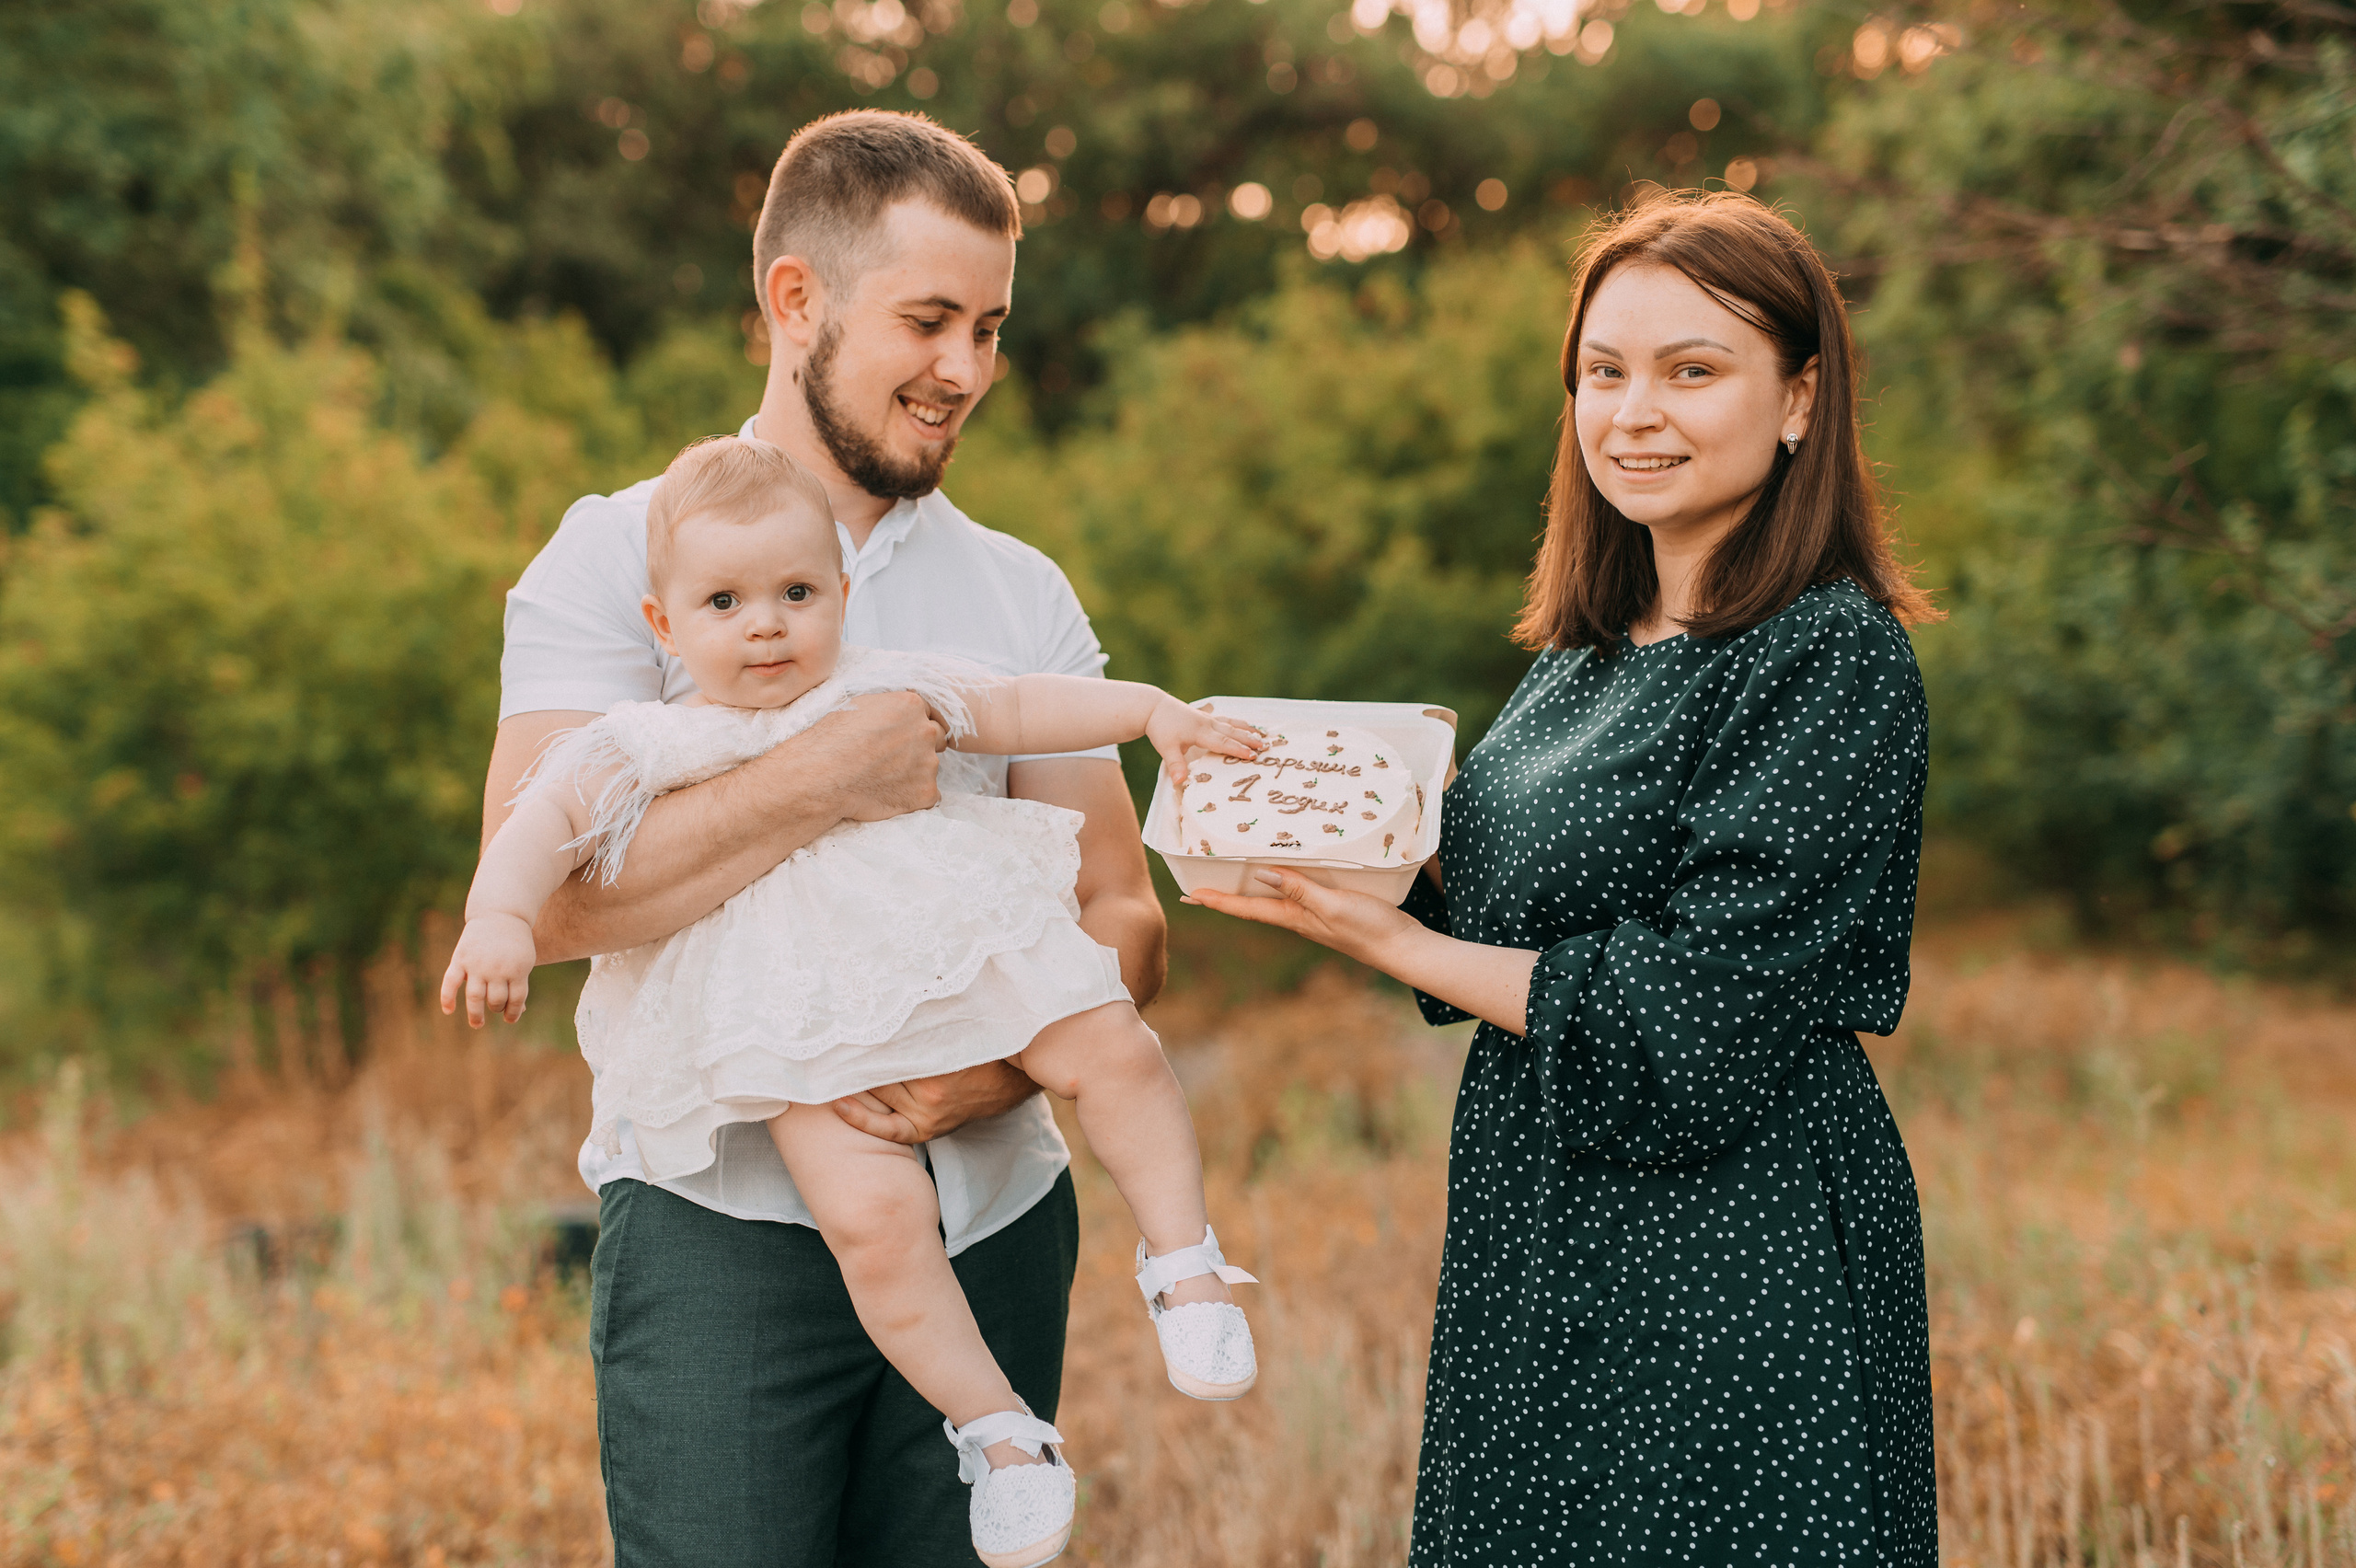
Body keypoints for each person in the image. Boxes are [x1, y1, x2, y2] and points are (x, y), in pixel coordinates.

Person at [1194, 190, 1941, 1564]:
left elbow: (1699, 1008)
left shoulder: (1827, 654)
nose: (1633, 413)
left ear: (1799, 399)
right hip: (1539, 1210)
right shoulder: (1585, 655)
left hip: (1732, 1237)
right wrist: (1306, 808)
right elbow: (1495, 902)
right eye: (1604, 372)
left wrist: (1389, 944)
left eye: (1691, 371)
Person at [479, 111, 1160, 1565]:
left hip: (996, 1221)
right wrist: (833, 775)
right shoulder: (616, 557)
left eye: (990, 328)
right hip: (719, 1230)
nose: (965, 369)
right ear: (797, 300)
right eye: (929, 320)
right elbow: (550, 901)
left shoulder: (1022, 592)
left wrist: (986, 1075)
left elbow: (1122, 910)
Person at [451, 434, 1261, 1567]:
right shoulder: (655, 738)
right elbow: (543, 822)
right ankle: (998, 1432)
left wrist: (1152, 712)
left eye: (796, 594)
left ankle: (1186, 1264)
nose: (766, 625)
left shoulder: (891, 678)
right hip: (800, 1033)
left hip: (954, 956)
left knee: (1116, 1047)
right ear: (664, 625)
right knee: (874, 1224)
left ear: (839, 591)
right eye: (725, 603)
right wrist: (496, 918)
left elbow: (1021, 707)